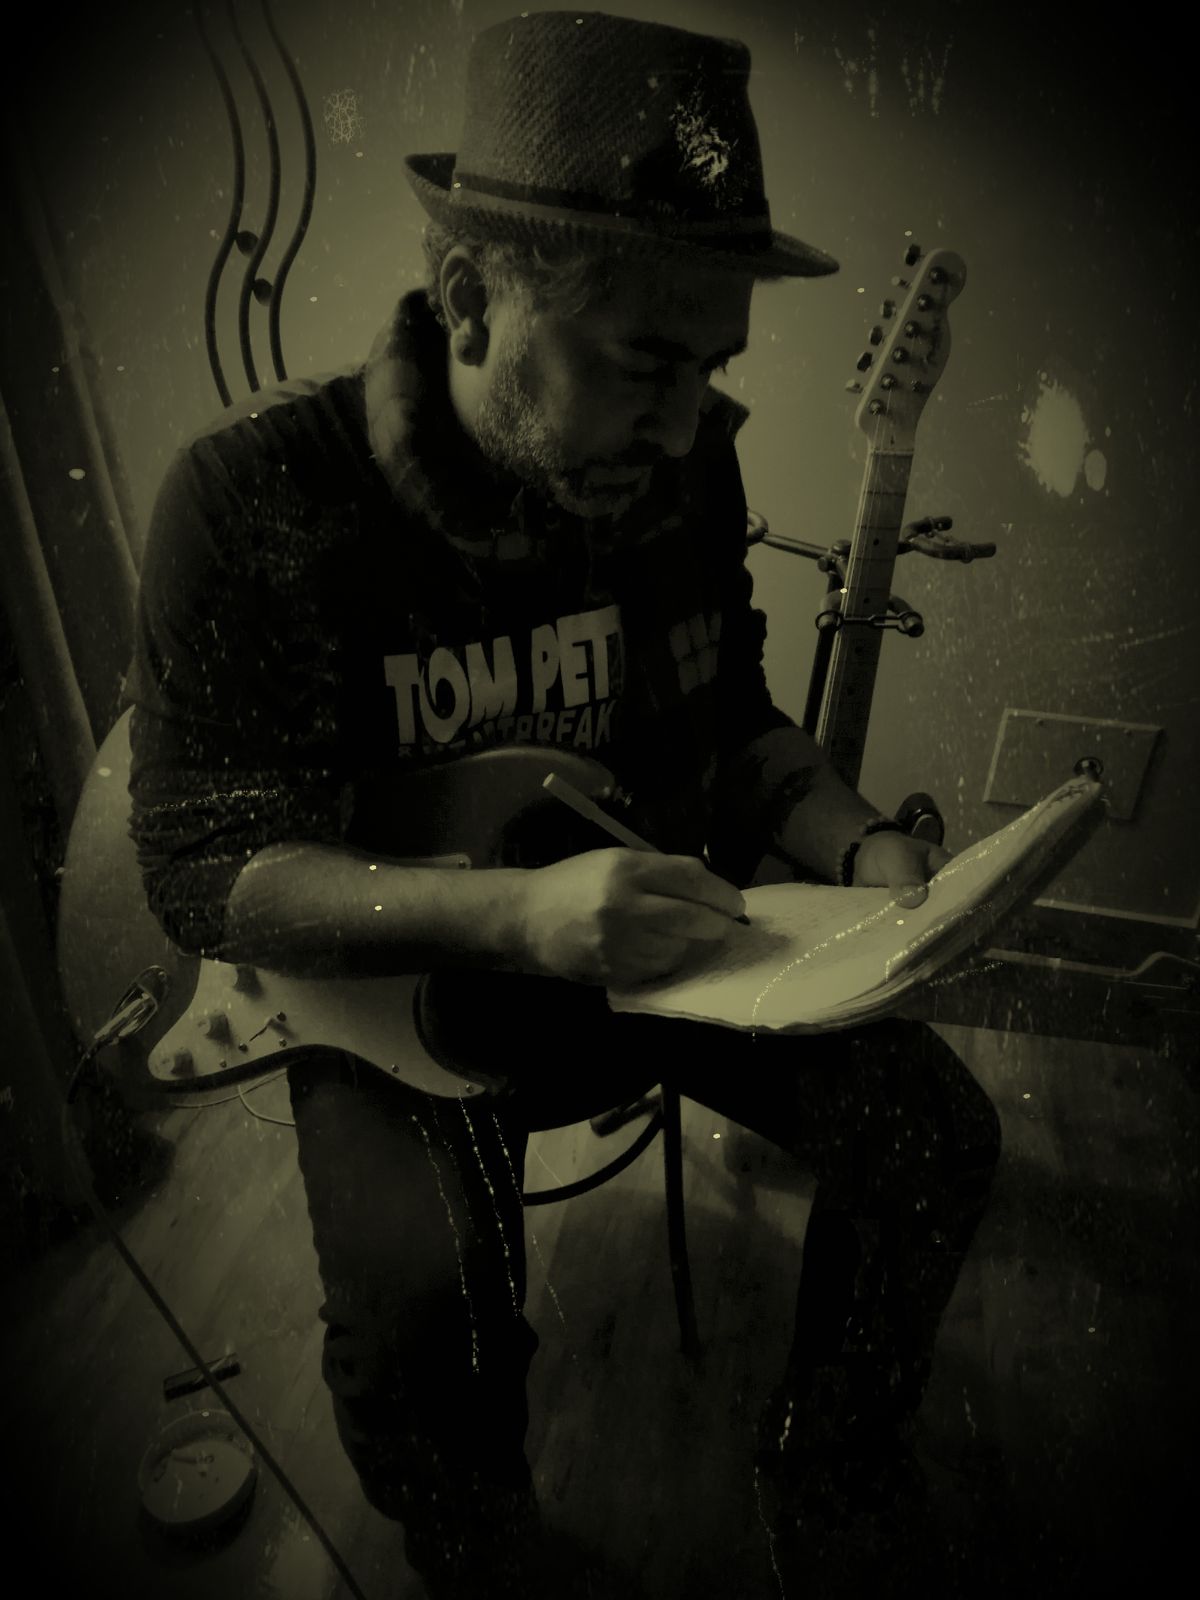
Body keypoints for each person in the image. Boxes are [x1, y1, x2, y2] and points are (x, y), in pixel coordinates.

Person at [126, 12, 1001, 1597]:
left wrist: (861, 844)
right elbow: (199, 869)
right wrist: (517, 917)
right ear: (471, 299)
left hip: (649, 937)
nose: (684, 425)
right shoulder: (255, 497)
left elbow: (736, 720)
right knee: (425, 1328)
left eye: (710, 369)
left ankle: (827, 1467)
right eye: (646, 363)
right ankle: (483, 1553)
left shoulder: (678, 467)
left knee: (938, 1133)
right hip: (398, 993)